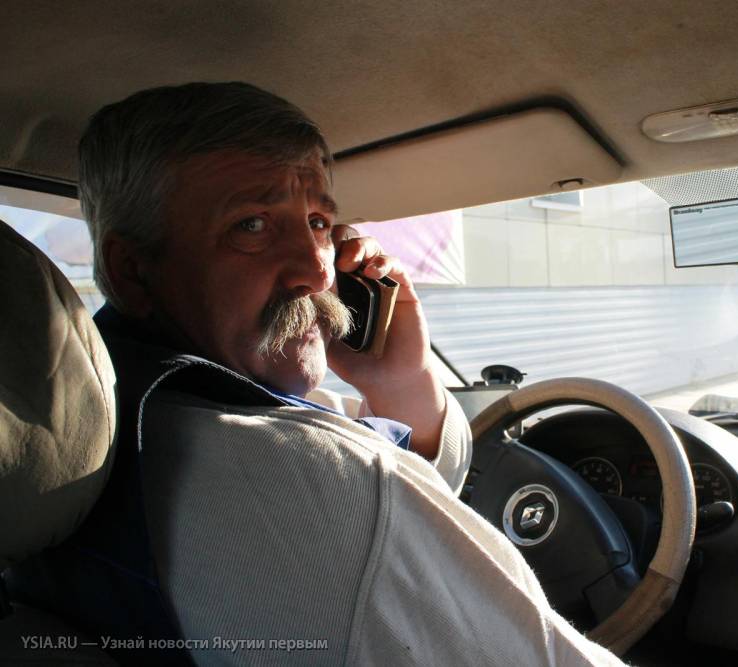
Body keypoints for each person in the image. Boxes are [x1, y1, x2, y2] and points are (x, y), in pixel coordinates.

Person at [7, 82, 624, 666]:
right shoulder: (315, 474)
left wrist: (399, 383)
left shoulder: (104, 425)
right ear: (134, 270)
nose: (318, 272)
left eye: (319, 224)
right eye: (252, 224)